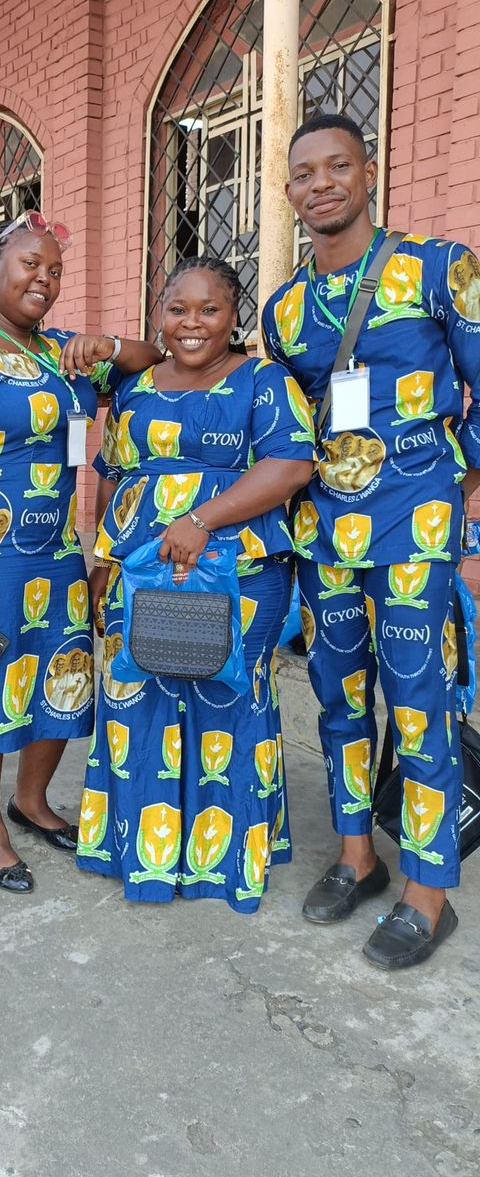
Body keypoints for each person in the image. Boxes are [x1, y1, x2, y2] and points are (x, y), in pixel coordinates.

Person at [262, 111, 480, 967]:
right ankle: (358, 857)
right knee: (339, 700)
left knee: (422, 706)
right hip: (325, 537)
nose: (321, 184)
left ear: (370, 172)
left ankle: (429, 892)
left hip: (415, 528)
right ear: (289, 193)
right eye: (304, 173)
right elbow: (285, 423)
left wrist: (458, 487)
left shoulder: (437, 267)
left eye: (337, 166)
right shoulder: (285, 311)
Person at [0, 212, 161, 892]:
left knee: (61, 675)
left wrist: (106, 342)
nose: (44, 280)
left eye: (55, 270)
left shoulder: (61, 353)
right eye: (30, 264)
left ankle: (31, 800)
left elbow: (154, 363)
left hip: (55, 554)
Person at [76, 256, 314, 910]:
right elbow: (112, 474)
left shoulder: (264, 380)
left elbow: (292, 464)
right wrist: (102, 561)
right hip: (137, 574)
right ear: (159, 314)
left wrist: (200, 521)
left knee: (227, 701)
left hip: (240, 572)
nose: (192, 322)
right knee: (138, 700)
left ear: (234, 317)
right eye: (178, 308)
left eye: (210, 309)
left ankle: (222, 860)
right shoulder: (135, 387)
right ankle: (145, 855)